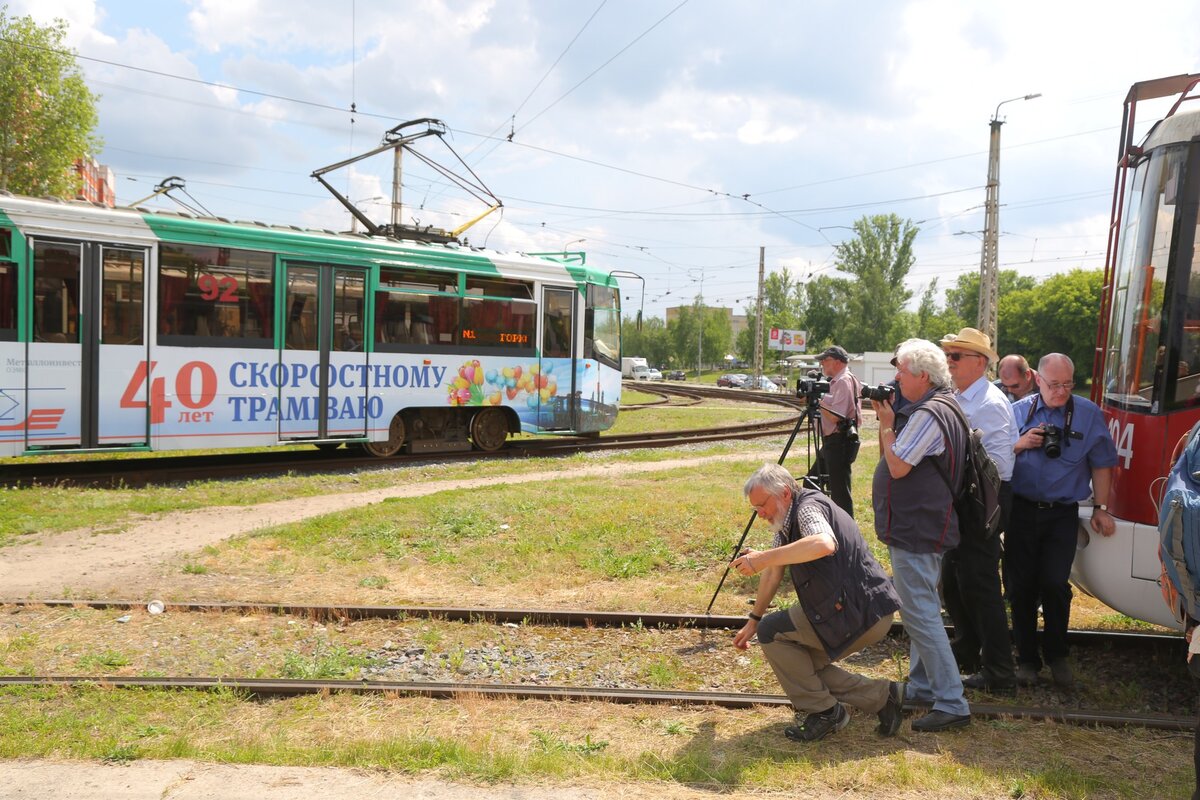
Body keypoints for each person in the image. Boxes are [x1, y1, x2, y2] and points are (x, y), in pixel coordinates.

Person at [731, 463, 905, 742]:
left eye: (762, 505)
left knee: (773, 634)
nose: (761, 514)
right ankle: (883, 697)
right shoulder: (786, 523)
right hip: (860, 609)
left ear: (785, 493)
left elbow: (823, 543)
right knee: (800, 662)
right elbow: (774, 572)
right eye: (756, 509)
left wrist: (763, 558)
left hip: (858, 611)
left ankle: (826, 713)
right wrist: (753, 619)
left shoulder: (808, 508)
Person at [873, 338, 972, 732]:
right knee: (921, 607)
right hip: (923, 524)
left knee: (920, 614)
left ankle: (951, 701)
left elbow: (897, 466)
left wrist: (885, 425)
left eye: (901, 372)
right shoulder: (941, 405)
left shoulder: (929, 414)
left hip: (918, 527)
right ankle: (922, 686)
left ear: (923, 377)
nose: (895, 378)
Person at [1007, 353, 1118, 689]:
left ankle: (1057, 655)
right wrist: (1020, 444)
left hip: (1061, 513)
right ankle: (1027, 659)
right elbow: (994, 456)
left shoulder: (1087, 413)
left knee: (1056, 583)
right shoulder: (1016, 412)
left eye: (1067, 384)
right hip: (1021, 510)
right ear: (1036, 379)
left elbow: (1102, 463)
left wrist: (1101, 507)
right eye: (1054, 385)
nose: (1061, 391)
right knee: (1020, 586)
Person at [939, 328, 1018, 695]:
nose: (949, 361)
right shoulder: (962, 395)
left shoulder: (988, 402)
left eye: (956, 356)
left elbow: (1000, 465)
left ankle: (1000, 672)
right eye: (949, 355)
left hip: (983, 500)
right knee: (954, 581)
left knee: (981, 584)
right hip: (966, 499)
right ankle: (971, 649)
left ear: (980, 363)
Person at [807, 345, 862, 517]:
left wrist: (817, 399)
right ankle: (821, 518)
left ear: (838, 361)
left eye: (826, 359)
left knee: (839, 492)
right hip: (833, 441)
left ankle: (846, 531)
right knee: (812, 481)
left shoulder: (844, 380)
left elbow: (835, 417)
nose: (822, 363)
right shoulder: (838, 380)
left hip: (839, 441)